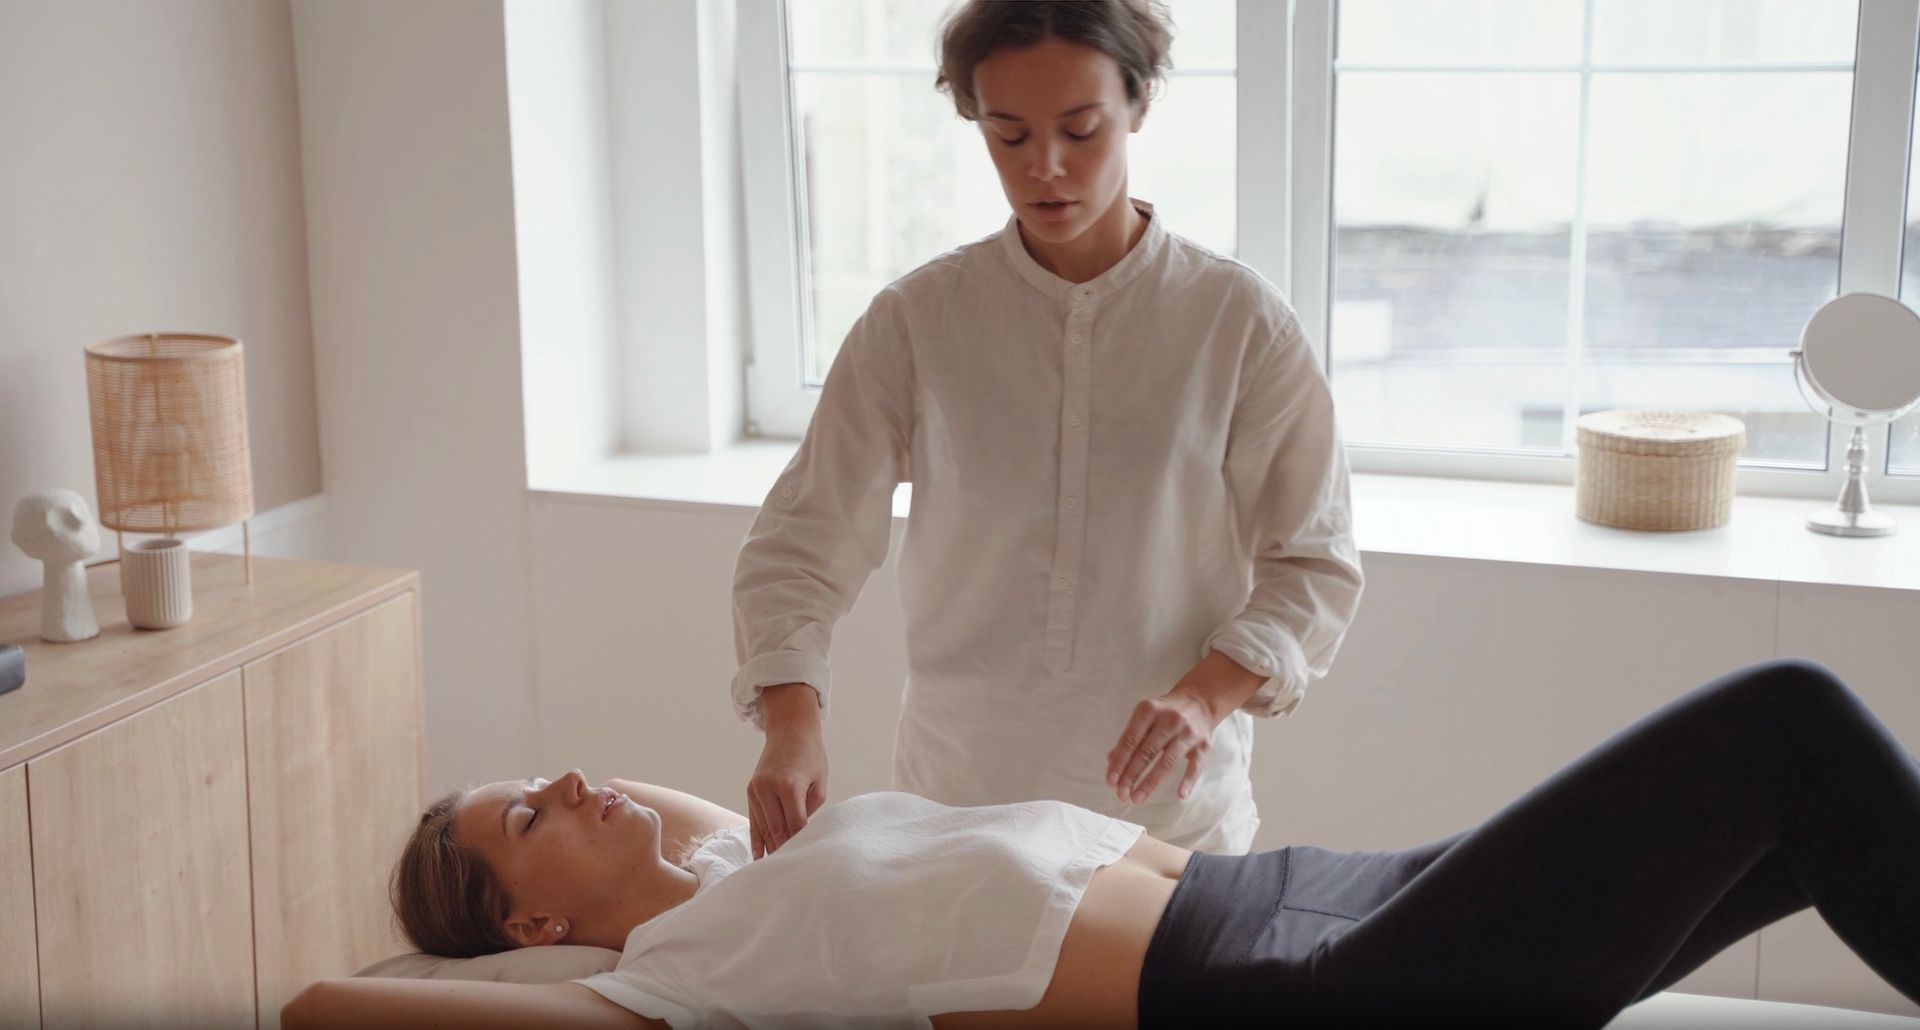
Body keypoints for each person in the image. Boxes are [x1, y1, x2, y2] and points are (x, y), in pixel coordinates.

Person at [285, 659, 1920, 1028]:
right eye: (528, 814)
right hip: (1307, 989)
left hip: (1312, 888)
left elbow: (671, 805)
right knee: (1783, 723)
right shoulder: (672, 977)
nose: (574, 780)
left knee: (1800, 822)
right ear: (525, 930)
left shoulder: (731, 873)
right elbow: (315, 1007)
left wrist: (583, 806)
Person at [733, 0, 1365, 860]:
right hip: (954, 815)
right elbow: (801, 543)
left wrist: (1204, 696)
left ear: (1138, 103)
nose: (1046, 168)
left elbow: (1314, 563)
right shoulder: (917, 322)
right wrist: (791, 725)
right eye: (1010, 135)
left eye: (1080, 129)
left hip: (1169, 829)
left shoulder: (1239, 322)